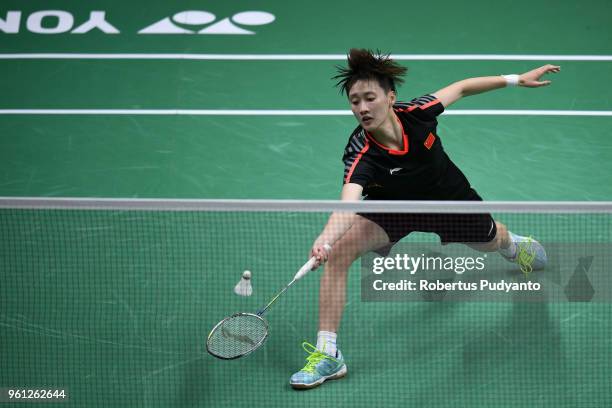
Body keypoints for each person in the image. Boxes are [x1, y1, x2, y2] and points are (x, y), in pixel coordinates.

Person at [289, 49, 557, 390]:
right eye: (355, 101)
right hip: (393, 207)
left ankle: (514, 245)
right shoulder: (361, 151)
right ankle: (328, 355)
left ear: (390, 97)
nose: (362, 108)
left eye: (370, 98)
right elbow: (348, 205)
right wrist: (326, 239)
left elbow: (460, 88)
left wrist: (516, 79)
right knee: (340, 253)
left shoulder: (417, 113)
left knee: (492, 241)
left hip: (450, 200)